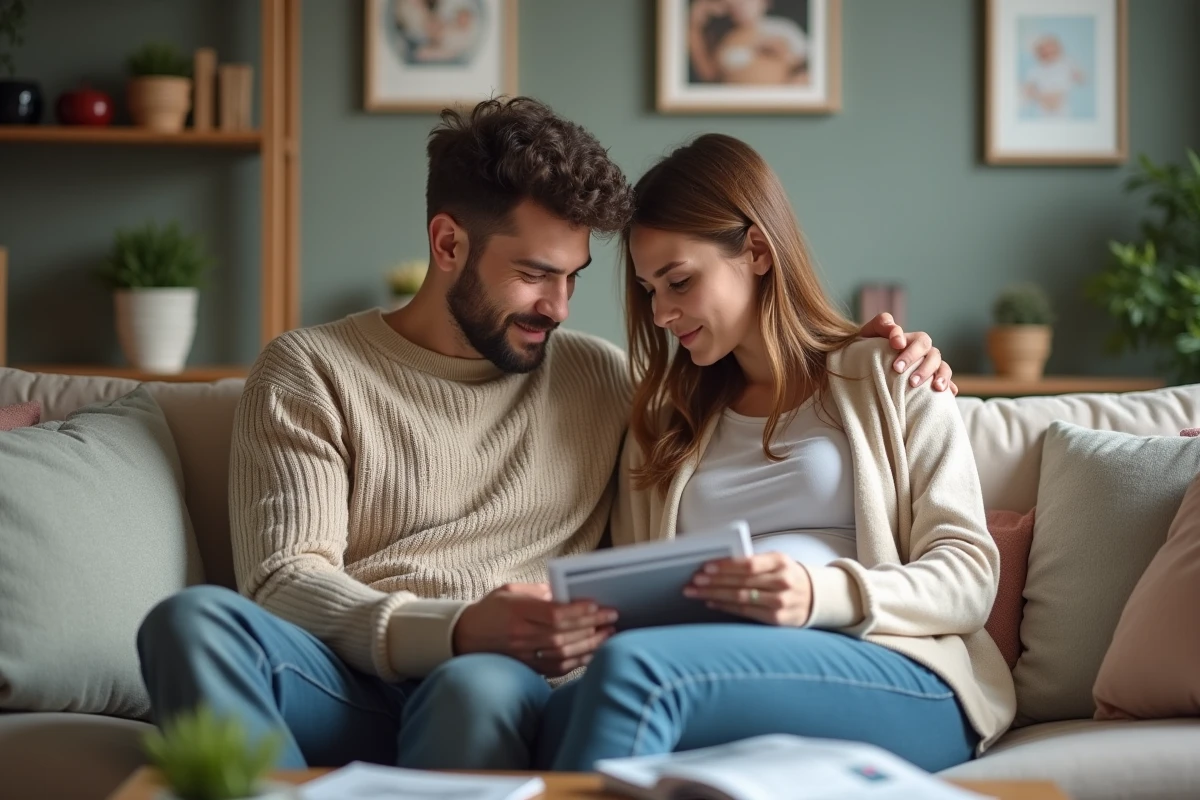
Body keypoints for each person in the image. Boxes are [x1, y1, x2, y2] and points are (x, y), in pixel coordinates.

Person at [136, 98, 958, 772]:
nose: (559, 309)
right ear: (448, 243)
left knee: (476, 687)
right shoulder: (312, 369)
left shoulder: (604, 384)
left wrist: (894, 353)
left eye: (574, 279)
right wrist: (453, 626)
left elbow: (763, 387)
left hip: (498, 684)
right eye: (534, 275)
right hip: (346, 678)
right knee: (190, 622)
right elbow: (283, 580)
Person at [539, 133, 1015, 774]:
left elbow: (969, 578)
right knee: (544, 709)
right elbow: (638, 587)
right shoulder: (664, 419)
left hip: (897, 669)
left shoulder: (891, 372)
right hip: (711, 670)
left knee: (634, 677)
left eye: (678, 281)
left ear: (757, 250)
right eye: (651, 289)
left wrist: (819, 595)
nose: (660, 313)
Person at [689, 0, 809, 86]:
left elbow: (807, 67)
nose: (740, 6)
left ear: (765, 2)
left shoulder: (783, 29)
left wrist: (785, 54)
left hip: (776, 104)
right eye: (735, 3)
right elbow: (709, 75)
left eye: (747, 2)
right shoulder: (725, 38)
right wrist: (695, 24)